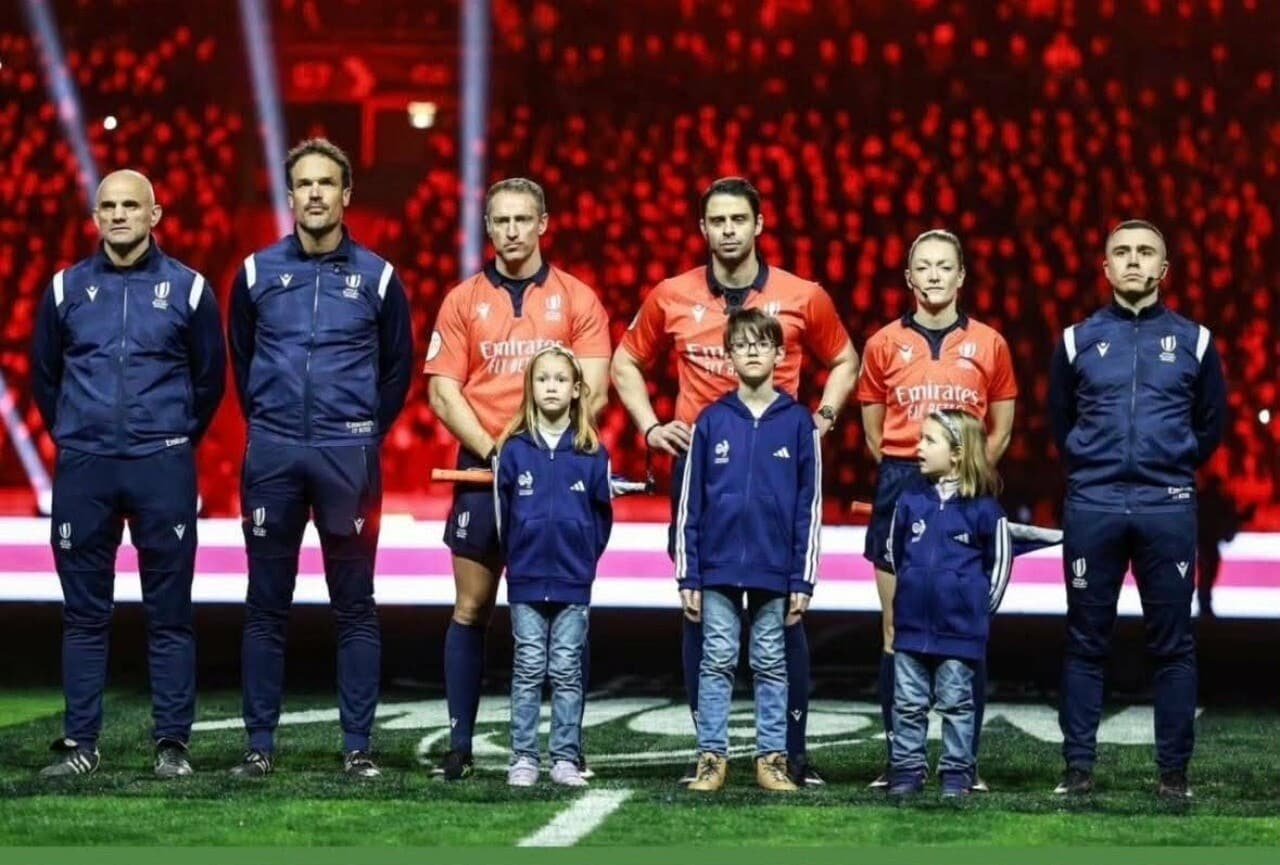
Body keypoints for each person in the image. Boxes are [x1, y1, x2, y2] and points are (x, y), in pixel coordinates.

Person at [611, 176, 857, 786]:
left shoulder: (804, 295)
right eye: (716, 221)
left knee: (785, 623)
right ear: (703, 229)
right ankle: (711, 753)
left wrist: (822, 417)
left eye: (737, 220)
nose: (727, 231)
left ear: (758, 225)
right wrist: (649, 426)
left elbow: (846, 358)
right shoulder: (671, 294)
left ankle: (787, 754)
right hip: (705, 479)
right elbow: (623, 360)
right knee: (700, 614)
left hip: (776, 476)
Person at [227, 138, 414, 779]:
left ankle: (358, 746)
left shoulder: (380, 277)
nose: (314, 194)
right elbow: (239, 358)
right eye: (303, 183)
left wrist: (361, 430)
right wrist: (273, 426)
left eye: (326, 183)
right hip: (273, 453)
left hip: (347, 457)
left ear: (346, 194)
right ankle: (259, 747)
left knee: (355, 605)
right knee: (265, 604)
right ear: (290, 195)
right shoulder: (254, 274)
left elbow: (397, 371)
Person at [30, 169, 226, 777]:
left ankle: (172, 744)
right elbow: (45, 377)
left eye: (130, 206)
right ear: (95, 217)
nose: (118, 216)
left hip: (161, 464)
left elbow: (209, 379)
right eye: (107, 206)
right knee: (84, 614)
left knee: (169, 612)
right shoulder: (64, 289)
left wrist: (169, 439)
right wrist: (77, 433)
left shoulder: (190, 290)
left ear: (155, 214)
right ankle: (81, 742)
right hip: (85, 467)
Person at [424, 178, 611, 780]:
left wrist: (532, 450)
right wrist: (497, 451)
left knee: (564, 612)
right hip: (483, 469)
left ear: (543, 223)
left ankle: (563, 750)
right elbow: (441, 390)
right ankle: (460, 745)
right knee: (472, 607)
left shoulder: (578, 299)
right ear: (488, 228)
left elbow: (595, 388)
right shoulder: (461, 300)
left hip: (554, 473)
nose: (511, 231)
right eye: (500, 221)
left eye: (522, 220)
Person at [1048, 219, 1226, 800]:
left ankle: (1174, 777)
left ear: (1163, 269)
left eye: (1145, 252)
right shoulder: (1075, 340)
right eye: (1121, 252)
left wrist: (1168, 466)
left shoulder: (1196, 341)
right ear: (1105, 268)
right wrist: (1095, 464)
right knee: (1085, 641)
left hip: (1166, 505)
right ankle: (1077, 771)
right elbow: (1059, 423)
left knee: (1174, 644)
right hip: (1093, 502)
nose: (1132, 261)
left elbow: (1210, 427)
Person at [855, 228, 1017, 790]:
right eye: (922, 267)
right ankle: (898, 761)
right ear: (908, 278)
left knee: (965, 622)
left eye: (944, 266)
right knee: (895, 629)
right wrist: (909, 465)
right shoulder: (881, 344)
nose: (933, 275)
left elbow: (1001, 420)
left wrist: (968, 468)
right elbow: (874, 427)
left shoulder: (991, 343)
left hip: (966, 481)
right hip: (905, 477)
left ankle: (961, 765)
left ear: (961, 276)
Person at [676, 308, 819, 793]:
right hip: (715, 568)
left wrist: (803, 578)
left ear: (780, 354)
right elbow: (690, 502)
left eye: (763, 343)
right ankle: (711, 758)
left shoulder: (799, 423)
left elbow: (809, 506)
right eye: (743, 344)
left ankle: (772, 760)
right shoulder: (711, 421)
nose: (753, 351)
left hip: (775, 570)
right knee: (715, 661)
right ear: (729, 355)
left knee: (771, 663)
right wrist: (687, 574)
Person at [495, 345, 612, 788]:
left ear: (577, 390)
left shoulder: (591, 452)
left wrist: (581, 559)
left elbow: (602, 519)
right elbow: (504, 515)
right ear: (530, 387)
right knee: (527, 667)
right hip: (525, 579)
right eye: (542, 378)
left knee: (566, 669)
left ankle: (565, 758)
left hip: (572, 580)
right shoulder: (513, 450)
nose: (551, 386)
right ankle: (523, 758)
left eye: (560, 380)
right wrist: (519, 558)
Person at [885, 410, 1012, 798]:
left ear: (957, 453)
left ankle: (957, 774)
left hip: (960, 631)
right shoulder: (909, 501)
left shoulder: (986, 510)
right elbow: (894, 553)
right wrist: (907, 596)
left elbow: (1000, 567)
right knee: (906, 704)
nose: (917, 447)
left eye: (928, 440)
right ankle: (907, 770)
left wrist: (972, 609)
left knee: (957, 704)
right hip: (911, 629)